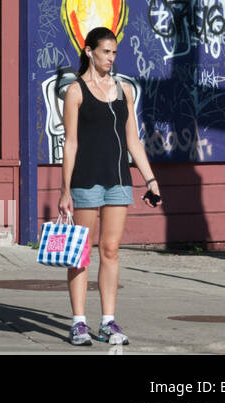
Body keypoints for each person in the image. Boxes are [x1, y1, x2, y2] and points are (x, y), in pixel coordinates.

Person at [60, 26, 162, 346]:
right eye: (106, 51)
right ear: (89, 51)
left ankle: (108, 322)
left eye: (114, 52)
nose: (111, 58)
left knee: (111, 250)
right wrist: (65, 190)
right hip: (86, 181)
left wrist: (151, 180)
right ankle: (78, 322)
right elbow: (71, 144)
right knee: (80, 253)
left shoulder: (124, 90)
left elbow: (133, 140)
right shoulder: (76, 92)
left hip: (118, 181)